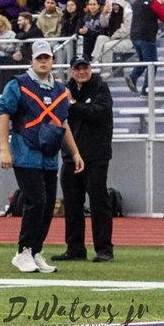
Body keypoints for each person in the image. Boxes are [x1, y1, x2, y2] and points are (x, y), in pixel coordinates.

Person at [0, 39, 85, 274]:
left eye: (47, 57)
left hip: (49, 154)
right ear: (32, 60)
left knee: (47, 205)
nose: (43, 61)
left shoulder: (58, 89)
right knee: (35, 200)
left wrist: (75, 152)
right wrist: (4, 148)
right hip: (25, 151)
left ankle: (35, 251)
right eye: (39, 58)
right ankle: (23, 251)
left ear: (53, 61)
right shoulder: (18, 85)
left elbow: (62, 123)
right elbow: (4, 113)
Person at [51, 56, 114, 264]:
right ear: (71, 71)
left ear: (90, 68)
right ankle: (75, 247)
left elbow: (98, 113)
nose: (81, 72)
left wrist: (72, 103)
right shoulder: (65, 88)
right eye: (77, 68)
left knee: (98, 202)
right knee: (72, 203)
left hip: (96, 155)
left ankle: (104, 249)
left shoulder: (100, 87)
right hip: (71, 154)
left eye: (84, 68)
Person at [126, 0, 164, 97]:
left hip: (134, 36)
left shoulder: (135, 3)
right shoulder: (154, 3)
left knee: (144, 61)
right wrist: (163, 5)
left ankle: (133, 77)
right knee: (152, 64)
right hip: (147, 37)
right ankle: (146, 90)